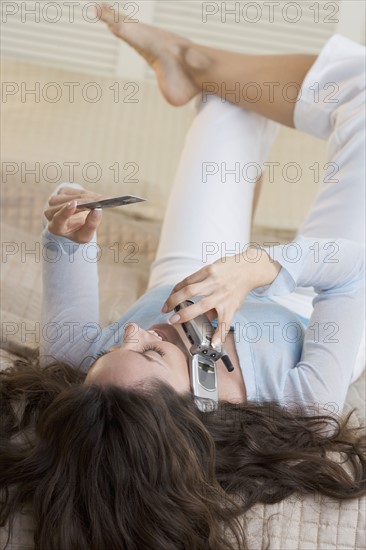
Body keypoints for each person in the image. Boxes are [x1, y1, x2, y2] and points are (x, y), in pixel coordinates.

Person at [1, 5, 365, 549]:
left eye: (112, 351)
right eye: (151, 353)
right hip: (312, 301)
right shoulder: (302, 401)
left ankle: (190, 64)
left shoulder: (93, 376)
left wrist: (69, 225)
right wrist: (259, 264)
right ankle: (191, 60)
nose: (130, 333)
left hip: (187, 278)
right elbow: (351, 271)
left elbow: (66, 248)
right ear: (203, 401)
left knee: (232, 99)